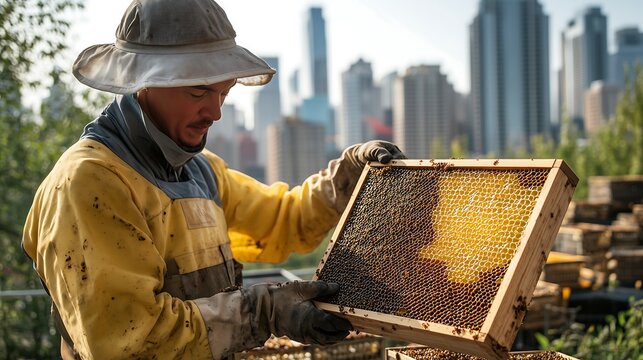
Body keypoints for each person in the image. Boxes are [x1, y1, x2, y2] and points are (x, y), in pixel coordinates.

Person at [22, 0, 405, 359]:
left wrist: (347, 177)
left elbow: (282, 222)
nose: (215, 113)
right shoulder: (87, 184)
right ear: (142, 81)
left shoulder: (203, 170)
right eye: (198, 91)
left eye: (224, 92)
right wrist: (263, 313)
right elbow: (131, 341)